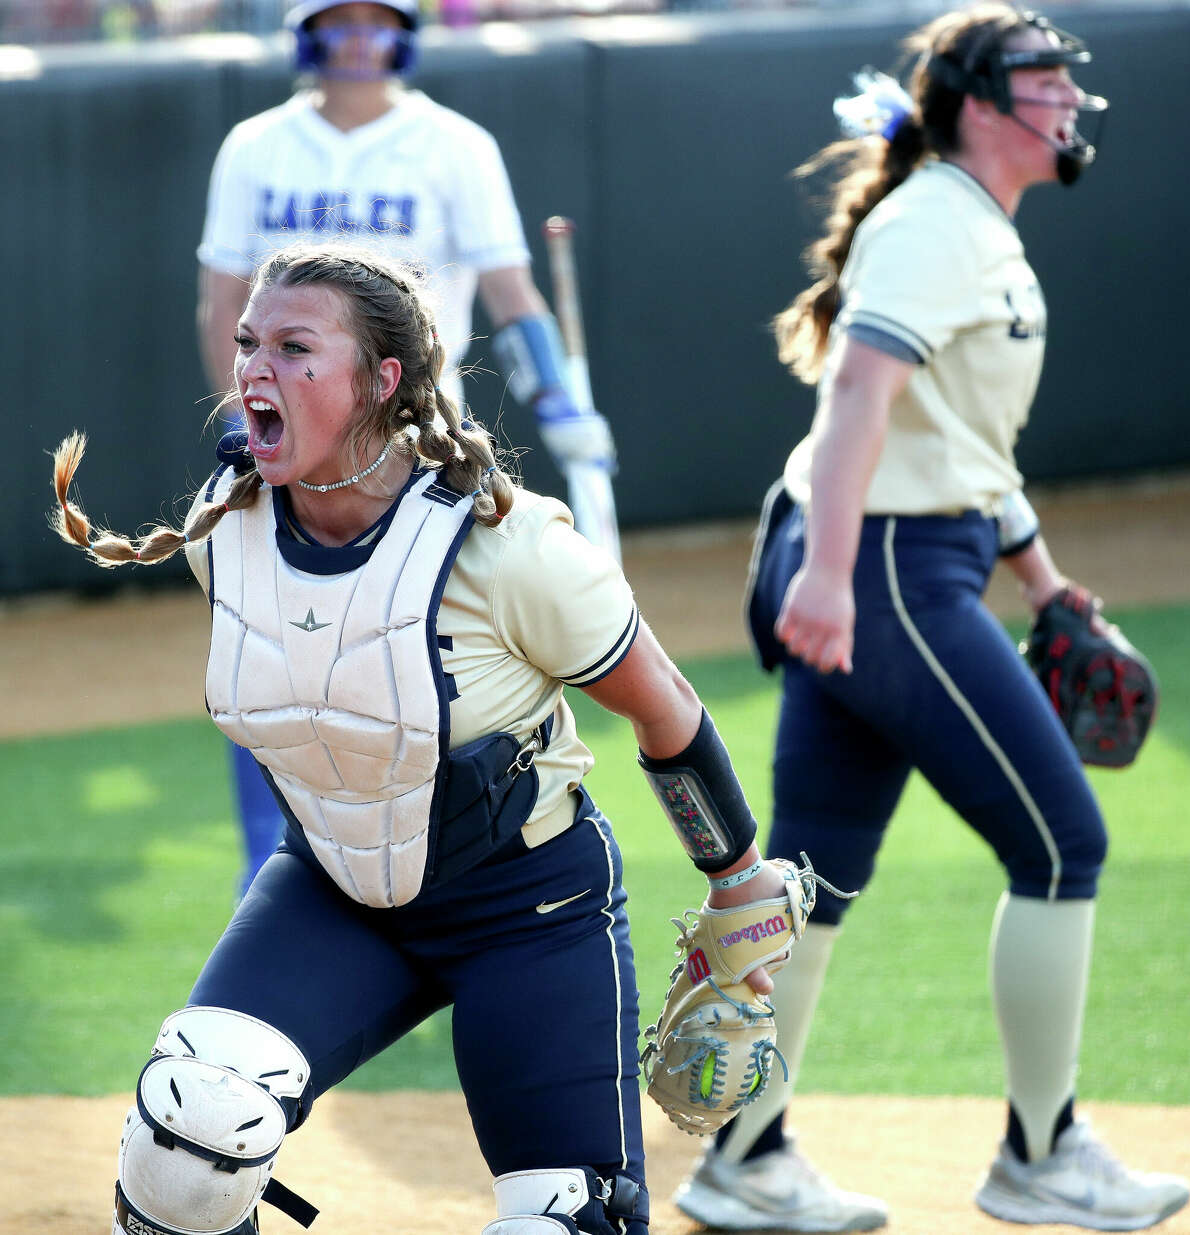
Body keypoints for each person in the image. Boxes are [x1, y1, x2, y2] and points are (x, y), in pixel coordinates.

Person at [51, 243, 794, 1235]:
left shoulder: (509, 546)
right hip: (331, 891)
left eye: (294, 347)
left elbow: (664, 709)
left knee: (567, 1219)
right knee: (186, 1139)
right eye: (247, 344)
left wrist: (737, 877)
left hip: (527, 907)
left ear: (382, 379)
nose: (254, 369)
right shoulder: (221, 530)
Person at [672, 6, 1190, 1233]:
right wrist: (831, 579)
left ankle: (745, 1158)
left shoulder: (973, 225)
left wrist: (1048, 585)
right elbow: (857, 390)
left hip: (905, 553)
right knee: (1063, 844)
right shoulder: (931, 222)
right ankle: (1042, 1153)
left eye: (1069, 74)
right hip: (887, 566)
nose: (1067, 95)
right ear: (972, 99)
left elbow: (962, 444)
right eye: (1041, 76)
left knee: (814, 873)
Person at [196, 0, 616, 895]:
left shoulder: (454, 144)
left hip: (421, 444)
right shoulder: (254, 146)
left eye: (375, 19)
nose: (359, 38)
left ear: (403, 31)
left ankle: (462, 856)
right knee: (262, 653)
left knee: (437, 644)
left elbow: (511, 291)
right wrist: (250, 421)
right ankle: (275, 860)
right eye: (339, 20)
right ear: (307, 32)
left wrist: (559, 396)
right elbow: (221, 302)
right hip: (292, 452)